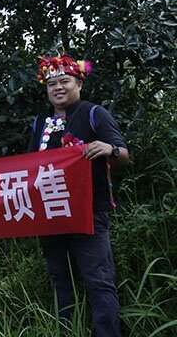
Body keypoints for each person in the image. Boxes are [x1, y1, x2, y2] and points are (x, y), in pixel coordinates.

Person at [29, 54, 129, 337]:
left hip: (89, 214)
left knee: (99, 281)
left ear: (79, 84)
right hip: (51, 216)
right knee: (61, 281)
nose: (58, 88)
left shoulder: (94, 113)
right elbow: (26, 168)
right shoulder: (39, 124)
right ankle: (68, 330)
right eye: (51, 84)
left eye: (65, 81)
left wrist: (109, 149)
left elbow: (124, 156)